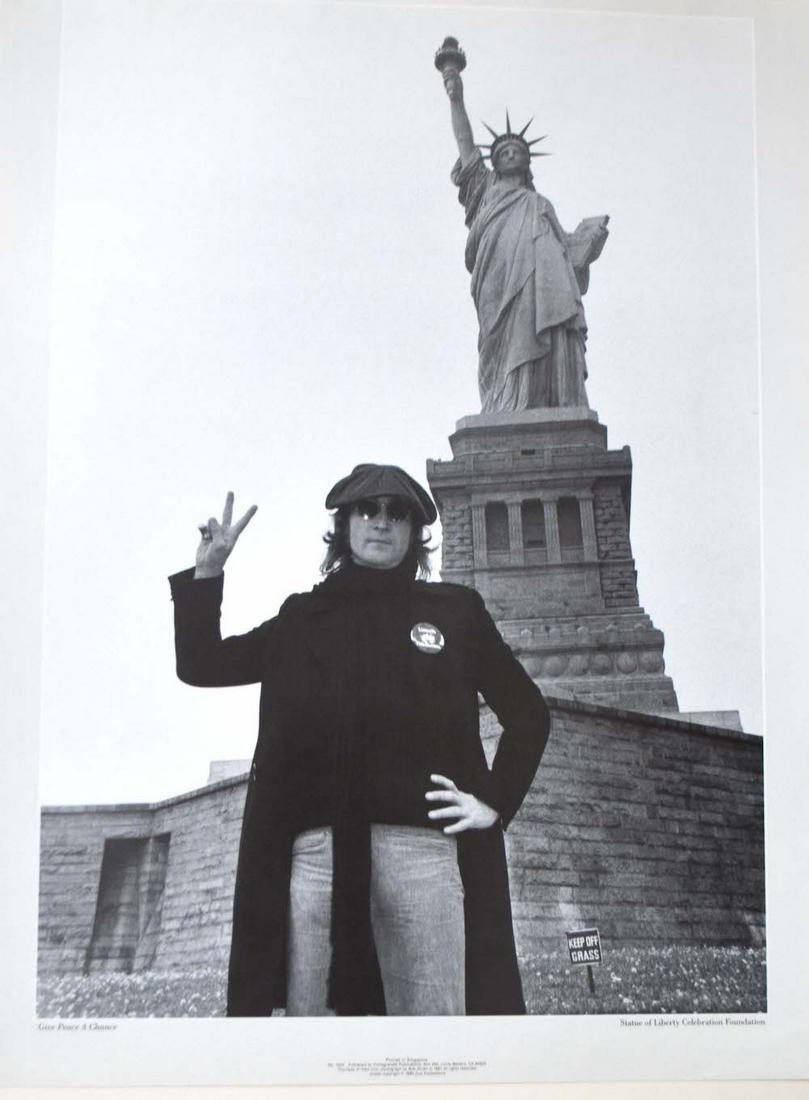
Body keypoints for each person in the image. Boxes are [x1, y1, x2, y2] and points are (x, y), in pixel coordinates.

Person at [169, 464, 550, 1016]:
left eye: (398, 513)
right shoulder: (304, 618)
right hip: (318, 857)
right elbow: (203, 664)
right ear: (344, 525)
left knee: (434, 1034)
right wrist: (207, 575)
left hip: (424, 852)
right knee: (319, 1036)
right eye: (368, 510)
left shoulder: (454, 613)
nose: (382, 522)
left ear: (415, 533)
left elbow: (528, 714)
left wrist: (494, 800)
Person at [442, 64, 609, 412]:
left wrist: (586, 243)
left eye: (516, 150)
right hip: (497, 279)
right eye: (502, 153)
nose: (510, 154)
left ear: (527, 162)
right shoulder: (484, 190)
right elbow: (464, 144)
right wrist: (455, 95)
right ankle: (503, 403)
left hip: (542, 285)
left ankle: (542, 397)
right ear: (496, 163)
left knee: (544, 326)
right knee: (498, 341)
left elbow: (566, 252)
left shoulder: (539, 204)